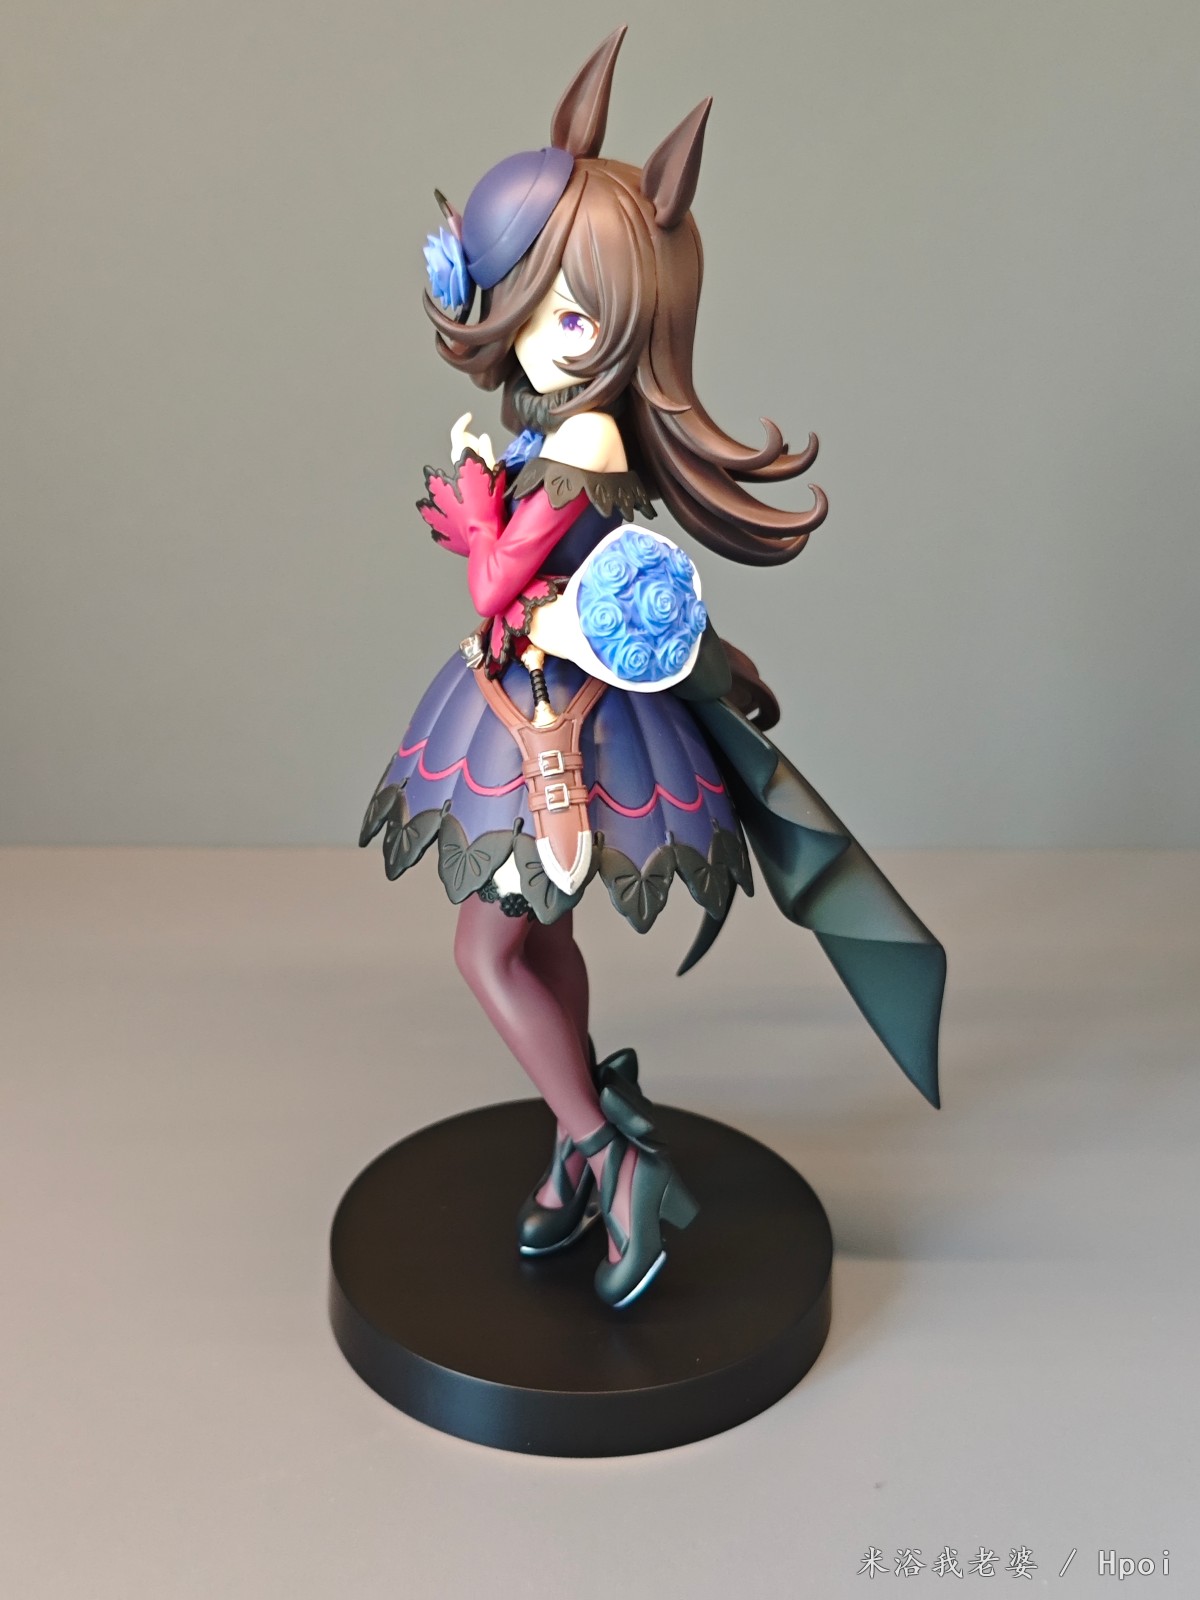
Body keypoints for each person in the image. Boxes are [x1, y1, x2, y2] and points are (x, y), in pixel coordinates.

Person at [360, 28, 946, 1309]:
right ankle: (584, 1136)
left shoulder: (581, 447)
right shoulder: (565, 434)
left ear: (629, 325)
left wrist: (475, 516)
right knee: (540, 937)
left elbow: (501, 585)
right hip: (539, 704)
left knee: (486, 952)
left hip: (554, 730)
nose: (539, 335)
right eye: (530, 299)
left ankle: (601, 1150)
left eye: (570, 313)